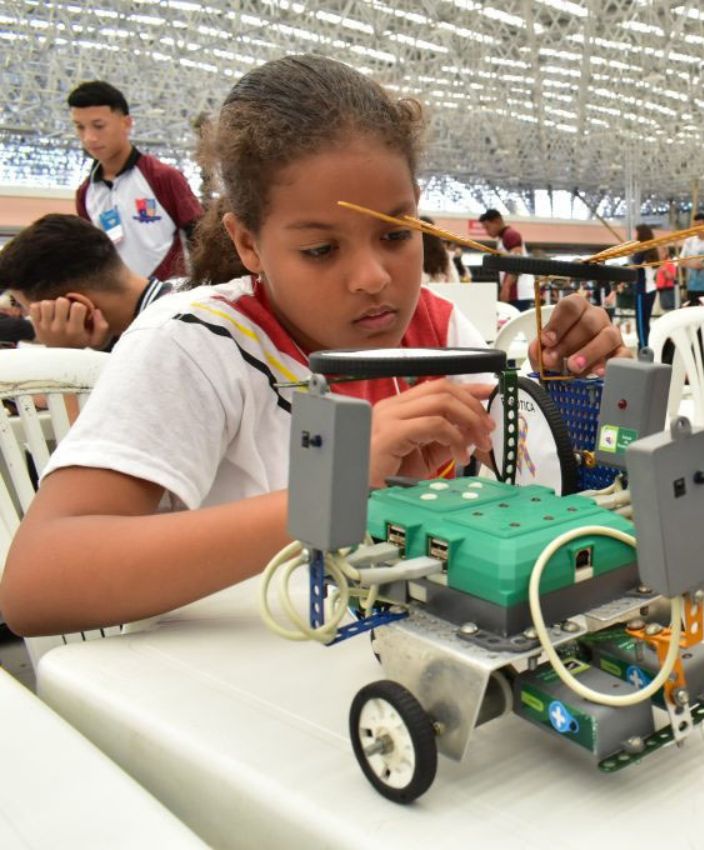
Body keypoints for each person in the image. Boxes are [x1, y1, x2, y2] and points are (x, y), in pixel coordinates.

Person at [0, 55, 626, 637]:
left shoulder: (436, 330)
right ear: (248, 245)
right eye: (321, 249)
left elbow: (530, 496)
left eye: (396, 234)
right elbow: (36, 584)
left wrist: (562, 391)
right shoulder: (192, 346)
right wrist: (334, 487)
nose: (374, 278)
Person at [67, 81, 203, 281]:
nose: (89, 138)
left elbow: (199, 237)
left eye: (99, 126)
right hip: (117, 302)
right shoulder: (85, 194)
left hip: (169, 298)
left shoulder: (163, 177)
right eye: (80, 127)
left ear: (126, 123)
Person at [0, 214, 173, 349]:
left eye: (31, 312)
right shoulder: (175, 303)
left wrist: (65, 354)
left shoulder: (159, 343)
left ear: (77, 306)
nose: (30, 320)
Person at [478, 209, 533, 311]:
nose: (487, 232)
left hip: (518, 292)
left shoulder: (510, 235)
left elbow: (517, 262)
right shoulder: (502, 238)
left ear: (497, 221)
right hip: (515, 291)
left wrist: (506, 287)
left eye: (487, 227)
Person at [628, 224, 660, 344]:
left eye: (635, 233)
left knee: (641, 324)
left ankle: (643, 349)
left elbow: (635, 266)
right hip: (649, 290)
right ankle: (645, 347)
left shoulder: (642, 251)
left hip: (643, 290)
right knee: (644, 323)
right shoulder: (650, 249)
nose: (633, 235)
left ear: (641, 234)